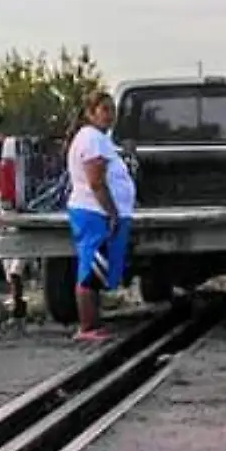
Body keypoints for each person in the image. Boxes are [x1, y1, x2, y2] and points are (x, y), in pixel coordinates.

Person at [64, 90, 137, 341]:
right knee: (90, 269)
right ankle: (87, 327)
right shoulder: (92, 139)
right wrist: (112, 212)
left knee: (96, 269)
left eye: (112, 110)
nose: (110, 115)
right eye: (104, 110)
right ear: (90, 113)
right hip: (95, 212)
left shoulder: (98, 139)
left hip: (96, 211)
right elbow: (96, 182)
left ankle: (93, 323)